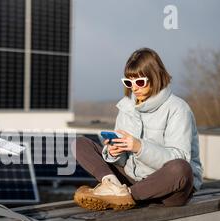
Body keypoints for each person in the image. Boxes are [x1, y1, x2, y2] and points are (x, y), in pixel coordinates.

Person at [72, 48, 203, 211]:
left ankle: (122, 196)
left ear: (155, 77)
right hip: (134, 179)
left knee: (181, 168)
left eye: (139, 82)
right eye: (128, 82)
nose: (134, 87)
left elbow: (179, 157)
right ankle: (112, 187)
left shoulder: (178, 108)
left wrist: (138, 147)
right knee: (80, 143)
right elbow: (123, 161)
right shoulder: (127, 107)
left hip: (167, 187)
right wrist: (114, 152)